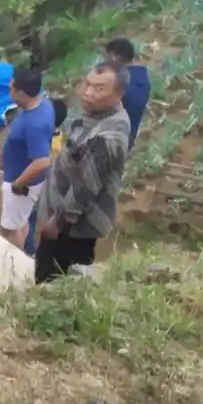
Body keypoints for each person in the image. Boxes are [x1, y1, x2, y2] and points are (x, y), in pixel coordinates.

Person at [34, 63, 130, 283]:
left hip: (72, 228)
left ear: (118, 94)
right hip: (65, 220)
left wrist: (57, 223)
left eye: (99, 89)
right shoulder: (98, 116)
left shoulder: (107, 138)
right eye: (88, 84)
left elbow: (85, 188)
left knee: (53, 281)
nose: (87, 93)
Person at [0, 68, 55, 250]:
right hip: (23, 177)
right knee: (21, 220)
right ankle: (26, 250)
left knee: (10, 230)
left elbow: (42, 160)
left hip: (21, 184)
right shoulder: (43, 104)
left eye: (11, 90)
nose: (10, 93)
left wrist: (18, 183)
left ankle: (15, 263)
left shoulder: (34, 124)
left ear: (22, 93)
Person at [22, 97, 69, 256]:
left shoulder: (44, 140)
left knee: (26, 218)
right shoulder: (57, 136)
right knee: (32, 217)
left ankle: (26, 250)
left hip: (34, 183)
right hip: (46, 184)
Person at [105, 38, 151, 149]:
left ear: (115, 57)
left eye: (107, 57)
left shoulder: (119, 82)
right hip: (128, 139)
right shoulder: (143, 78)